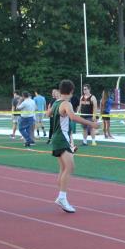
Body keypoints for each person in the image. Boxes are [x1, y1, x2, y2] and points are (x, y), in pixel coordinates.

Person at [47, 80, 96, 213]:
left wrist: (51, 109)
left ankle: (61, 196)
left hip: (57, 138)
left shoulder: (56, 102)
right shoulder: (66, 103)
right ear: (71, 91)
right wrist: (91, 124)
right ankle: (62, 197)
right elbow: (73, 117)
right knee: (70, 167)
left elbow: (48, 114)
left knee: (63, 168)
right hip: (62, 138)